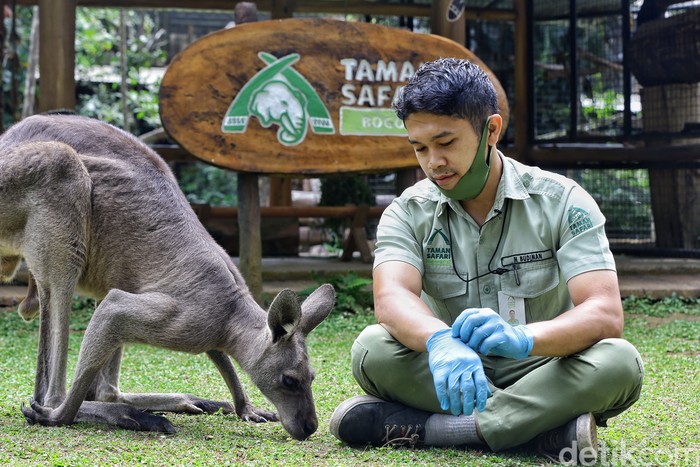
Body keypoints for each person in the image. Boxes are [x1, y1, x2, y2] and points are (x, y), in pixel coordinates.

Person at [329, 58, 644, 463]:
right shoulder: (405, 212)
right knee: (371, 350)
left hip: (541, 367)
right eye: (419, 148)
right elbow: (391, 300)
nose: (433, 162)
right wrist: (439, 340)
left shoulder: (563, 200)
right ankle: (541, 429)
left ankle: (442, 430)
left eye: (445, 143)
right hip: (447, 371)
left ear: (491, 130)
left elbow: (603, 312)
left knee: (619, 362)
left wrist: (525, 339)